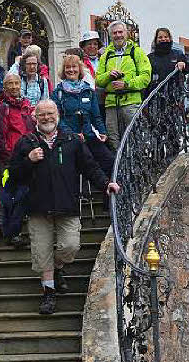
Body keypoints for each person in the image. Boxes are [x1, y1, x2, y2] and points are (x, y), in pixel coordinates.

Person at [9, 100, 120, 315]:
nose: (47, 118)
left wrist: (107, 184)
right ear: (35, 117)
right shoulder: (26, 142)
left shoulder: (71, 141)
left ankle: (59, 268)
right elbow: (12, 177)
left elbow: (90, 167)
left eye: (50, 113)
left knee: (70, 247)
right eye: (42, 114)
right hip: (38, 209)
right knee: (42, 255)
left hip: (67, 206)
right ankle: (48, 293)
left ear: (58, 115)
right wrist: (28, 161)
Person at [52, 53, 114, 172]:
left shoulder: (88, 91)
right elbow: (56, 118)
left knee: (109, 160)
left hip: (88, 135)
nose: (71, 70)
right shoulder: (58, 92)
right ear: (64, 70)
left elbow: (96, 116)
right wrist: (72, 134)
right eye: (68, 67)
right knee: (82, 163)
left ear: (79, 69)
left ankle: (108, 188)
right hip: (68, 138)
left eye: (74, 67)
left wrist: (102, 132)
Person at [95, 22, 152, 147]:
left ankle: (136, 165)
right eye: (114, 33)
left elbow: (146, 77)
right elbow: (98, 80)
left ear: (126, 33)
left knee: (134, 135)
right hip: (111, 102)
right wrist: (109, 75)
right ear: (110, 36)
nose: (118, 35)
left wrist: (126, 84)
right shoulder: (106, 55)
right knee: (113, 138)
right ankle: (118, 165)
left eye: (120, 32)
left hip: (131, 101)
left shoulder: (136, 51)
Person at [0, 72, 35, 172]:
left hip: (29, 156)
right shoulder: (2, 108)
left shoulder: (26, 105)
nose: (14, 87)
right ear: (4, 87)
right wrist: (9, 159)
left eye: (16, 83)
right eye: (10, 83)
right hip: (12, 158)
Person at [147, 28, 189, 93]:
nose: (163, 39)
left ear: (170, 38)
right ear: (156, 40)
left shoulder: (178, 54)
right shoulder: (150, 57)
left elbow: (188, 69)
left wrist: (183, 64)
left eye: (166, 37)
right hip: (156, 94)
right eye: (160, 37)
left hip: (175, 93)